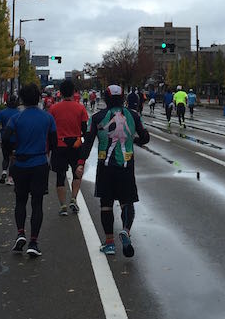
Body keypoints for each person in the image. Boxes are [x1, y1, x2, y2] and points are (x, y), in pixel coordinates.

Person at [77, 84, 150, 257]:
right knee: (127, 201)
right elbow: (145, 137)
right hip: (126, 166)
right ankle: (125, 230)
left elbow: (88, 141)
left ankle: (109, 243)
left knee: (106, 204)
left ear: (106, 98)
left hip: (105, 167)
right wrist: (134, 140)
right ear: (123, 98)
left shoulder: (97, 117)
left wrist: (81, 162)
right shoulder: (133, 115)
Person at [3, 82, 56, 257]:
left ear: (22, 99)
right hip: (39, 162)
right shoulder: (47, 118)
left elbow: (5, 137)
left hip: (20, 163)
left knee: (20, 200)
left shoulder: (16, 118)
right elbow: (54, 141)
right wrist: (48, 153)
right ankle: (33, 242)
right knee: (37, 203)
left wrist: (11, 152)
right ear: (39, 98)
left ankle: (20, 233)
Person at [49, 78, 89, 216]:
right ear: (73, 92)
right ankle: (73, 198)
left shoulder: (53, 108)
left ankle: (63, 206)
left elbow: (50, 129)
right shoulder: (80, 108)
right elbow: (84, 128)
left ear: (60, 92)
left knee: (60, 176)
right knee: (77, 173)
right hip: (76, 144)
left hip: (59, 145)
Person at [0, 96, 21, 185]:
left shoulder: (2, 112)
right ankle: (10, 178)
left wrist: (1, 131)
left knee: (5, 157)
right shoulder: (19, 113)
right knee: (13, 158)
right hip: (15, 140)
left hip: (5, 138)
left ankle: (4, 171)